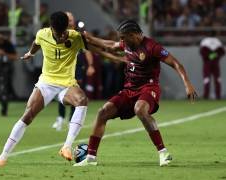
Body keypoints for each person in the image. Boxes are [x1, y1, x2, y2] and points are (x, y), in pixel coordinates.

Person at [0, 11, 122, 167]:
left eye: (64, 33)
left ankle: (66, 146)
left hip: (67, 84)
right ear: (51, 28)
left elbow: (99, 48)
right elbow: (36, 43)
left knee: (82, 100)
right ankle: (3, 156)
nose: (62, 37)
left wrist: (117, 54)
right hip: (46, 83)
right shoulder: (43, 34)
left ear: (67, 27)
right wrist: (30, 53)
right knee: (28, 116)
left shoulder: (75, 36)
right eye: (58, 33)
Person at [74, 20, 197, 167]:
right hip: (129, 89)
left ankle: (163, 153)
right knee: (103, 112)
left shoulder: (152, 47)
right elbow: (110, 45)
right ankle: (91, 157)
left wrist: (187, 84)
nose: (121, 41)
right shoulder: (127, 43)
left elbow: (176, 63)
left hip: (148, 88)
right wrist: (91, 38)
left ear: (133, 35)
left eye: (123, 37)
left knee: (140, 110)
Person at [52, 11, 95, 131]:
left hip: (77, 68)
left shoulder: (78, 35)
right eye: (67, 19)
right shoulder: (58, 33)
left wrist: (90, 65)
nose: (69, 22)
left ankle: (71, 118)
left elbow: (87, 51)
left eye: (71, 19)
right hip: (63, 69)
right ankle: (60, 118)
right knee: (61, 92)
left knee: (75, 93)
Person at [200, 32, 225, 99]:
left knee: (207, 79)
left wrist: (209, 56)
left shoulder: (205, 41)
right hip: (215, 63)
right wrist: (215, 55)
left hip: (207, 63)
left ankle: (206, 96)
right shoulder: (217, 41)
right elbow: (222, 52)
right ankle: (217, 95)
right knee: (217, 79)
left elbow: (202, 52)